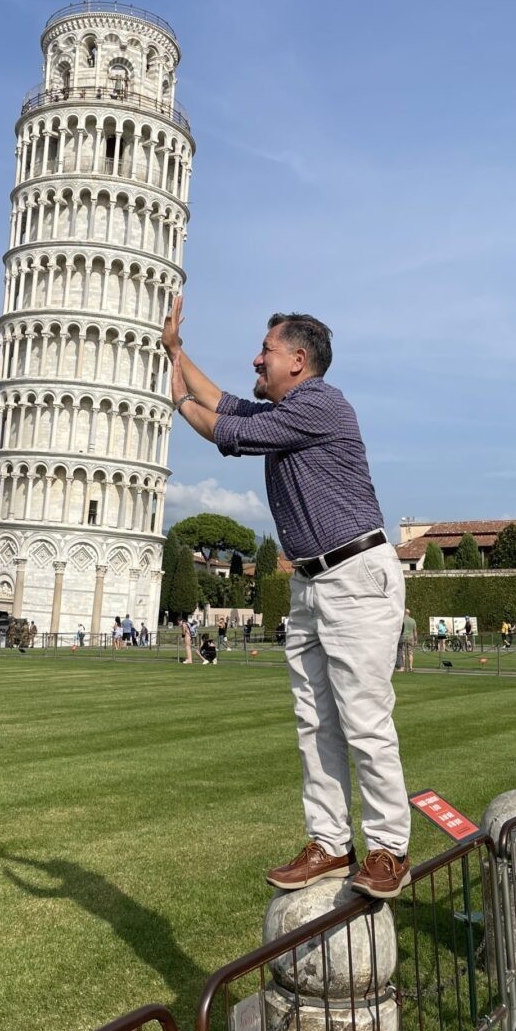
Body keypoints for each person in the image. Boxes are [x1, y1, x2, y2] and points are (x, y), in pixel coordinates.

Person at [163, 298, 409, 899]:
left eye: (266, 350)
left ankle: (388, 849)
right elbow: (228, 405)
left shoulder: (321, 404)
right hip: (311, 581)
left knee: (363, 720)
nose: (257, 357)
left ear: (299, 360)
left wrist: (176, 401)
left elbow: (231, 428)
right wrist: (175, 352)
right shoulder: (289, 409)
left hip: (355, 575)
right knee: (315, 720)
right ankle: (329, 842)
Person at [400, 608, 417, 672]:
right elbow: (415, 631)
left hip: (403, 637)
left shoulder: (402, 620)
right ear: (409, 613)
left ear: (404, 613)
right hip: (410, 637)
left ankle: (403, 667)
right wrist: (416, 640)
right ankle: (411, 667)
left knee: (403, 653)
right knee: (410, 653)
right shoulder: (413, 620)